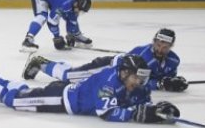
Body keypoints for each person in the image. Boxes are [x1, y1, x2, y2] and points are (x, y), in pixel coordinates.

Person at [0, 55, 181, 126]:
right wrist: (140, 115)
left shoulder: (133, 83)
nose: (139, 83)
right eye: (136, 77)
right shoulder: (109, 83)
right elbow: (107, 112)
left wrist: (156, 109)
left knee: (23, 94)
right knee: (15, 101)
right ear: (123, 73)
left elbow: (143, 101)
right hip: (61, 99)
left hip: (67, 92)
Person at [23, 28, 187, 92]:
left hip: (119, 75)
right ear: (154, 42)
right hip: (108, 68)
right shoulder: (144, 56)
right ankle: (40, 63)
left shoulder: (174, 60)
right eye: (158, 45)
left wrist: (172, 81)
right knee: (69, 77)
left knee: (73, 75)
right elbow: (138, 80)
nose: (160, 49)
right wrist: (161, 84)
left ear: (171, 46)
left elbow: (164, 76)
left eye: (164, 47)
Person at [22, 0, 92, 51]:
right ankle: (28, 40)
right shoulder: (63, 4)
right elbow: (52, 21)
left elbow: (72, 18)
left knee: (71, 13)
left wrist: (72, 34)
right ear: (76, 4)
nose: (79, 12)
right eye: (80, 10)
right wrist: (57, 37)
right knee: (42, 16)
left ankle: (76, 35)